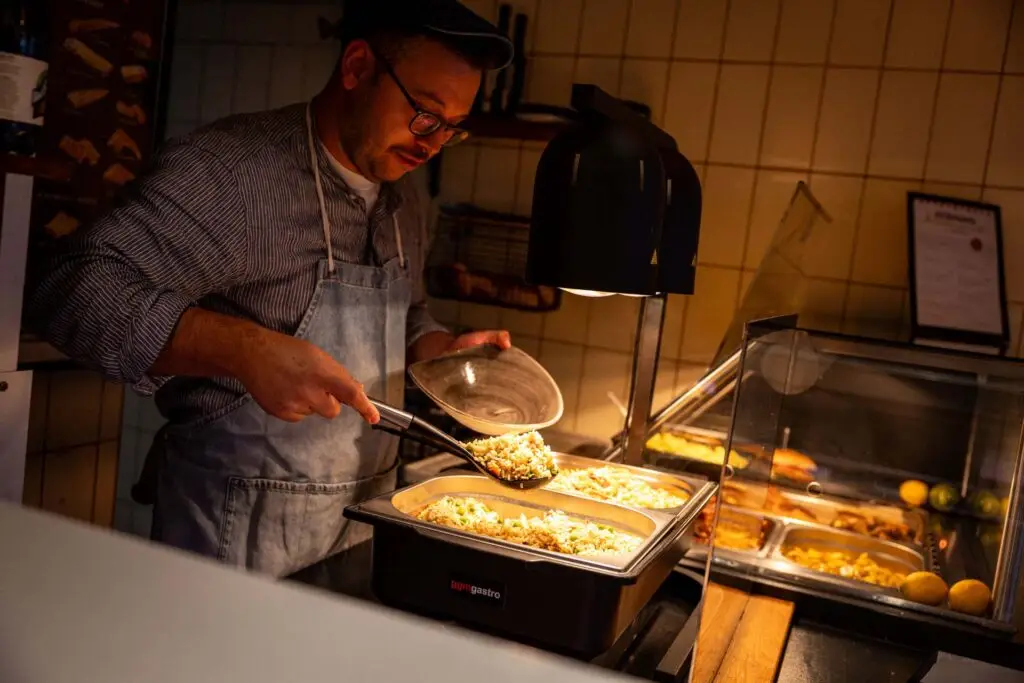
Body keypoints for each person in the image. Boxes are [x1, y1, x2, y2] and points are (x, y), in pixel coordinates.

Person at [28, 0, 514, 578]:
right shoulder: (234, 173)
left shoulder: (403, 197)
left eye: (452, 127)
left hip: (356, 530)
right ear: (357, 67)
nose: (431, 143)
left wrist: (440, 350)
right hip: (234, 538)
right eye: (425, 113)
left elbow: (407, 313)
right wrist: (245, 350)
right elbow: (70, 288)